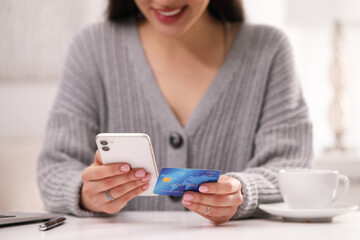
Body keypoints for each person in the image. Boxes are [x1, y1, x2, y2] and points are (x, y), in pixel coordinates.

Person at [37, 0, 312, 224]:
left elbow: (291, 169)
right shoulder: (92, 48)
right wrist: (86, 194)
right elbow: (54, 170)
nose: (165, 2)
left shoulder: (269, 50)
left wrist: (242, 191)